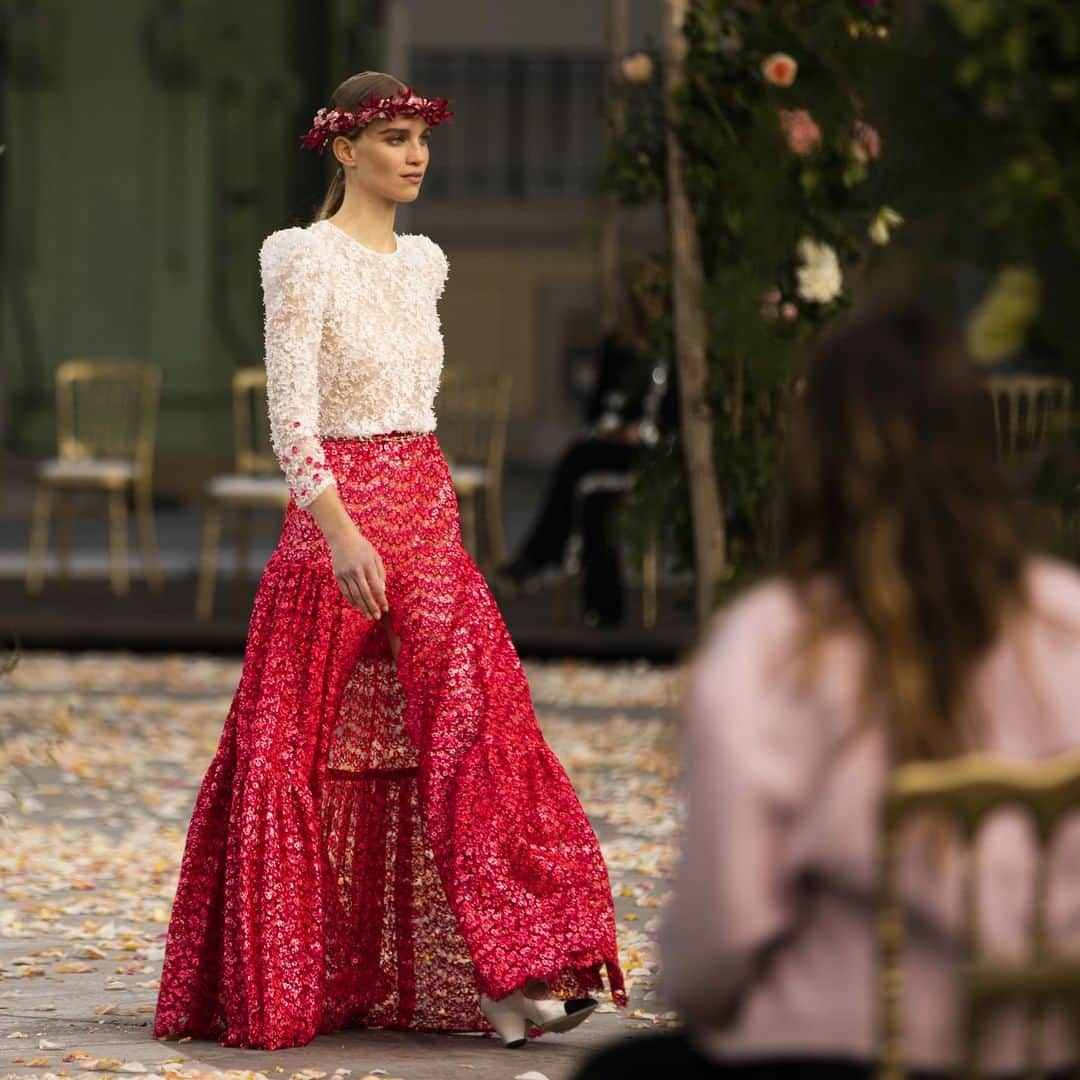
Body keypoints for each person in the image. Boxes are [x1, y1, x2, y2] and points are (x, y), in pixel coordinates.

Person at [153, 70, 625, 1053]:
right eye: (394, 137)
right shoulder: (301, 261)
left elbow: (420, 411)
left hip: (426, 508)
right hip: (341, 519)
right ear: (344, 151)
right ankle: (303, 973)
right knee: (300, 747)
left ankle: (515, 979)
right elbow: (290, 420)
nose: (415, 154)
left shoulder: (427, 266)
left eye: (422, 137)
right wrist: (339, 531)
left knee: (472, 733)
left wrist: (423, 524)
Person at [574, 297, 1080, 1078]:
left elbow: (717, 946)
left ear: (817, 460)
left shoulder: (777, 645)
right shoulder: (1065, 621)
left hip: (828, 1049)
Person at [500, 260, 678, 626]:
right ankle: (603, 609)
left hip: (655, 455)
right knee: (594, 500)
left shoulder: (672, 349)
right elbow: (596, 408)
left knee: (577, 462)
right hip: (610, 447)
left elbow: (675, 417)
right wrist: (614, 427)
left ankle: (539, 557)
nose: (649, 301)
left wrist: (642, 432)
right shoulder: (619, 344)